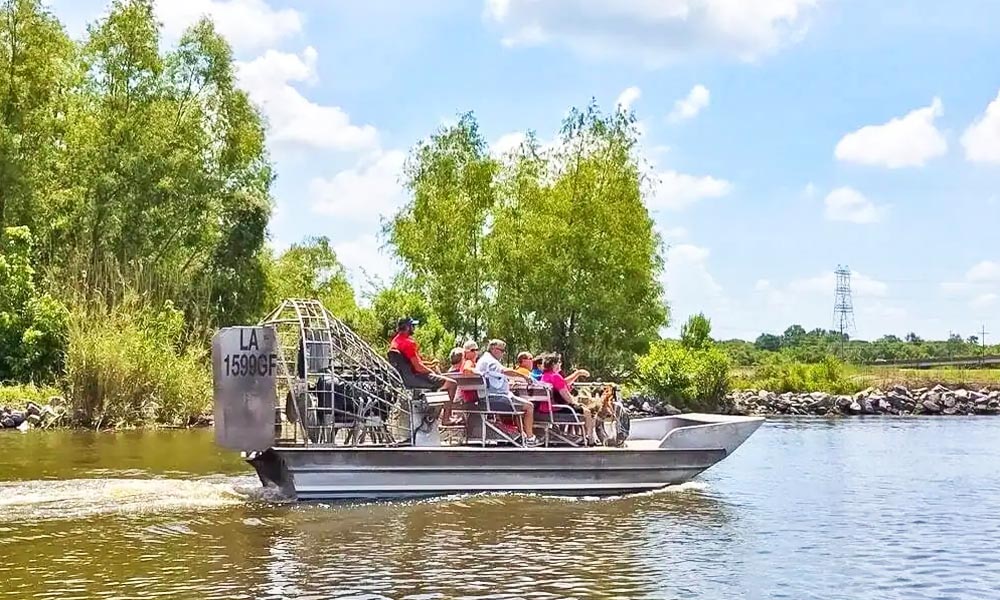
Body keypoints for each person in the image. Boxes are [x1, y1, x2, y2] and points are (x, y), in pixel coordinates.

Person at [475, 339, 538, 446]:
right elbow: (504, 371)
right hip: (494, 399)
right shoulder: (491, 361)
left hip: (488, 397)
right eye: (502, 350)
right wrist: (524, 376)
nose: (503, 353)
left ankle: (520, 435)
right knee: (529, 406)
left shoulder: (483, 360)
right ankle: (530, 438)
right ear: (494, 349)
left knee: (518, 402)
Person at [389, 318, 456, 402]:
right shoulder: (408, 343)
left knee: (440, 379)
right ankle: (445, 414)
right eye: (412, 326)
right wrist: (432, 372)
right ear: (407, 327)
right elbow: (418, 367)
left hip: (404, 378)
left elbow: (409, 363)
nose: (414, 328)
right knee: (451, 383)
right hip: (414, 378)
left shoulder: (395, 342)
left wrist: (429, 364)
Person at [540, 354, 596, 445]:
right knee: (587, 412)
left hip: (544, 408)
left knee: (580, 408)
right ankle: (590, 438)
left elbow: (563, 383)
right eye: (559, 362)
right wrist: (577, 404)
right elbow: (568, 397)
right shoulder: (555, 376)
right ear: (554, 364)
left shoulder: (545, 376)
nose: (560, 364)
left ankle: (581, 437)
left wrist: (577, 373)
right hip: (555, 409)